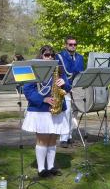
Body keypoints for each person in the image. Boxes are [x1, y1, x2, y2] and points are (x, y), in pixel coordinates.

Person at [22, 45, 72, 178]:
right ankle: (41, 169)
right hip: (40, 110)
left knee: (52, 139)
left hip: (57, 108)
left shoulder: (59, 69)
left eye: (52, 55)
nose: (49, 57)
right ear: (41, 56)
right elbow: (27, 90)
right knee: (42, 139)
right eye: (46, 55)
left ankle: (50, 167)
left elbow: (68, 88)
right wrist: (43, 99)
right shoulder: (33, 69)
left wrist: (64, 83)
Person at [57, 36, 85, 148]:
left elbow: (80, 73)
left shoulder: (80, 57)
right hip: (65, 87)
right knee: (66, 112)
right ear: (66, 45)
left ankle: (69, 136)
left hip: (76, 88)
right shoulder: (60, 56)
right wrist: (67, 86)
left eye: (75, 44)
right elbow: (60, 73)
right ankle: (63, 138)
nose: (73, 46)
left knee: (74, 113)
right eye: (70, 44)